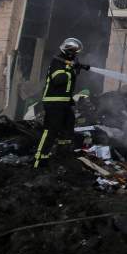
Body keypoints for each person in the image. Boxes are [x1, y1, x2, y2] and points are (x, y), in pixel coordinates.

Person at [33, 38, 89, 169]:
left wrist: (76, 67)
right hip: (53, 102)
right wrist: (70, 68)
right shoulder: (57, 62)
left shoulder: (66, 63)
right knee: (51, 130)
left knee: (68, 128)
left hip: (64, 102)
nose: (76, 55)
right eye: (74, 52)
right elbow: (59, 80)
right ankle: (40, 160)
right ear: (68, 52)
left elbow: (69, 82)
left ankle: (62, 155)